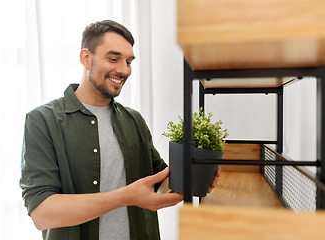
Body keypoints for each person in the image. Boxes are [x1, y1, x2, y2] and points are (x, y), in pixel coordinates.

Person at [20, 20, 221, 240]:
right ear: (86, 58)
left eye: (128, 61)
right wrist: (126, 196)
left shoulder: (133, 120)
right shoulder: (42, 120)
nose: (124, 70)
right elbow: (42, 213)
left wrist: (191, 176)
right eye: (113, 59)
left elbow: (158, 183)